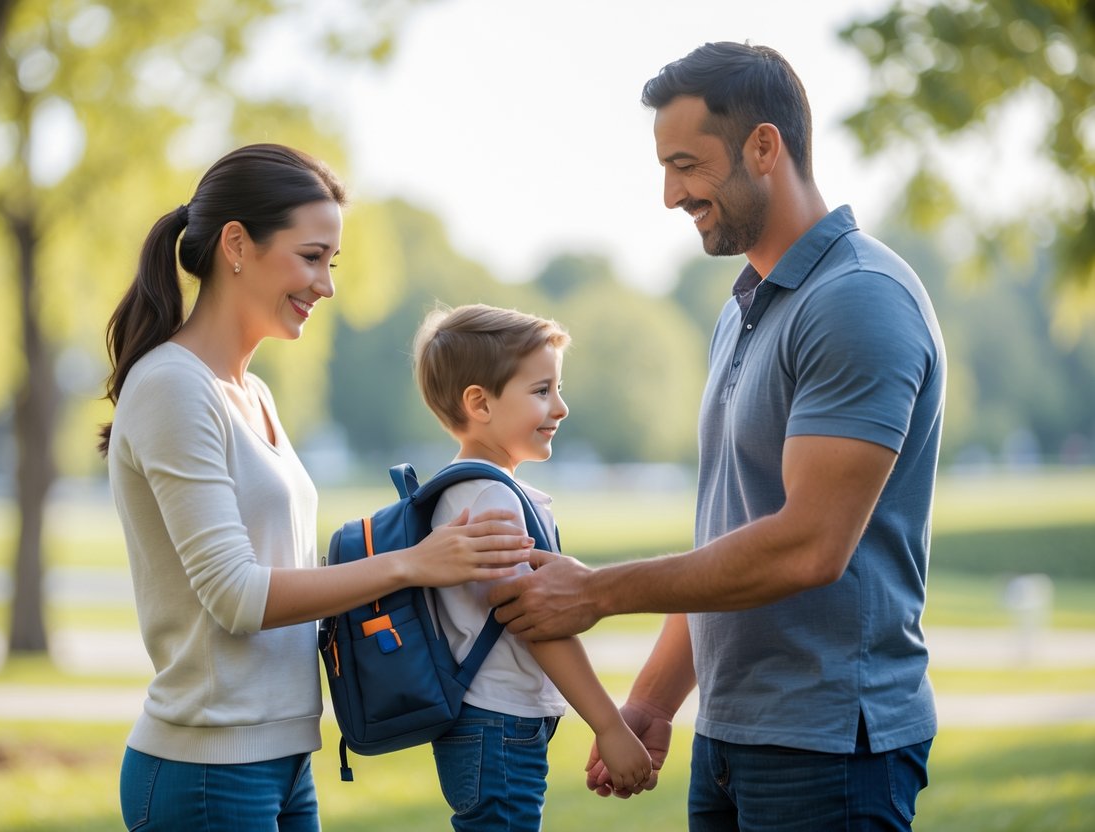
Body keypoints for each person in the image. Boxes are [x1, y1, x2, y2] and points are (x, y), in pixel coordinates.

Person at [488, 42, 946, 831]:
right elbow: (728, 539)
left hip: (831, 748)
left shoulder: (857, 301)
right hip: (732, 737)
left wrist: (597, 592)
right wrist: (656, 700)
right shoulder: (741, 311)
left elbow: (807, 546)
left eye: (687, 165)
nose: (670, 194)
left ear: (763, 147)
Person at [98, 144, 533, 832]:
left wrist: (414, 542)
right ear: (236, 245)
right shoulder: (173, 388)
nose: (326, 285)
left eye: (331, 262)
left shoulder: (254, 393)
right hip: (209, 768)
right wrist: (411, 564)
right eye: (310, 257)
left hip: (283, 755)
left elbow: (285, 567)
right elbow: (237, 596)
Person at [412, 303, 652, 831]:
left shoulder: (476, 488)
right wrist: (609, 725)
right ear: (479, 403)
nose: (561, 407)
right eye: (542, 391)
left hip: (491, 724)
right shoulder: (488, 497)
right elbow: (538, 621)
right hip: (496, 725)